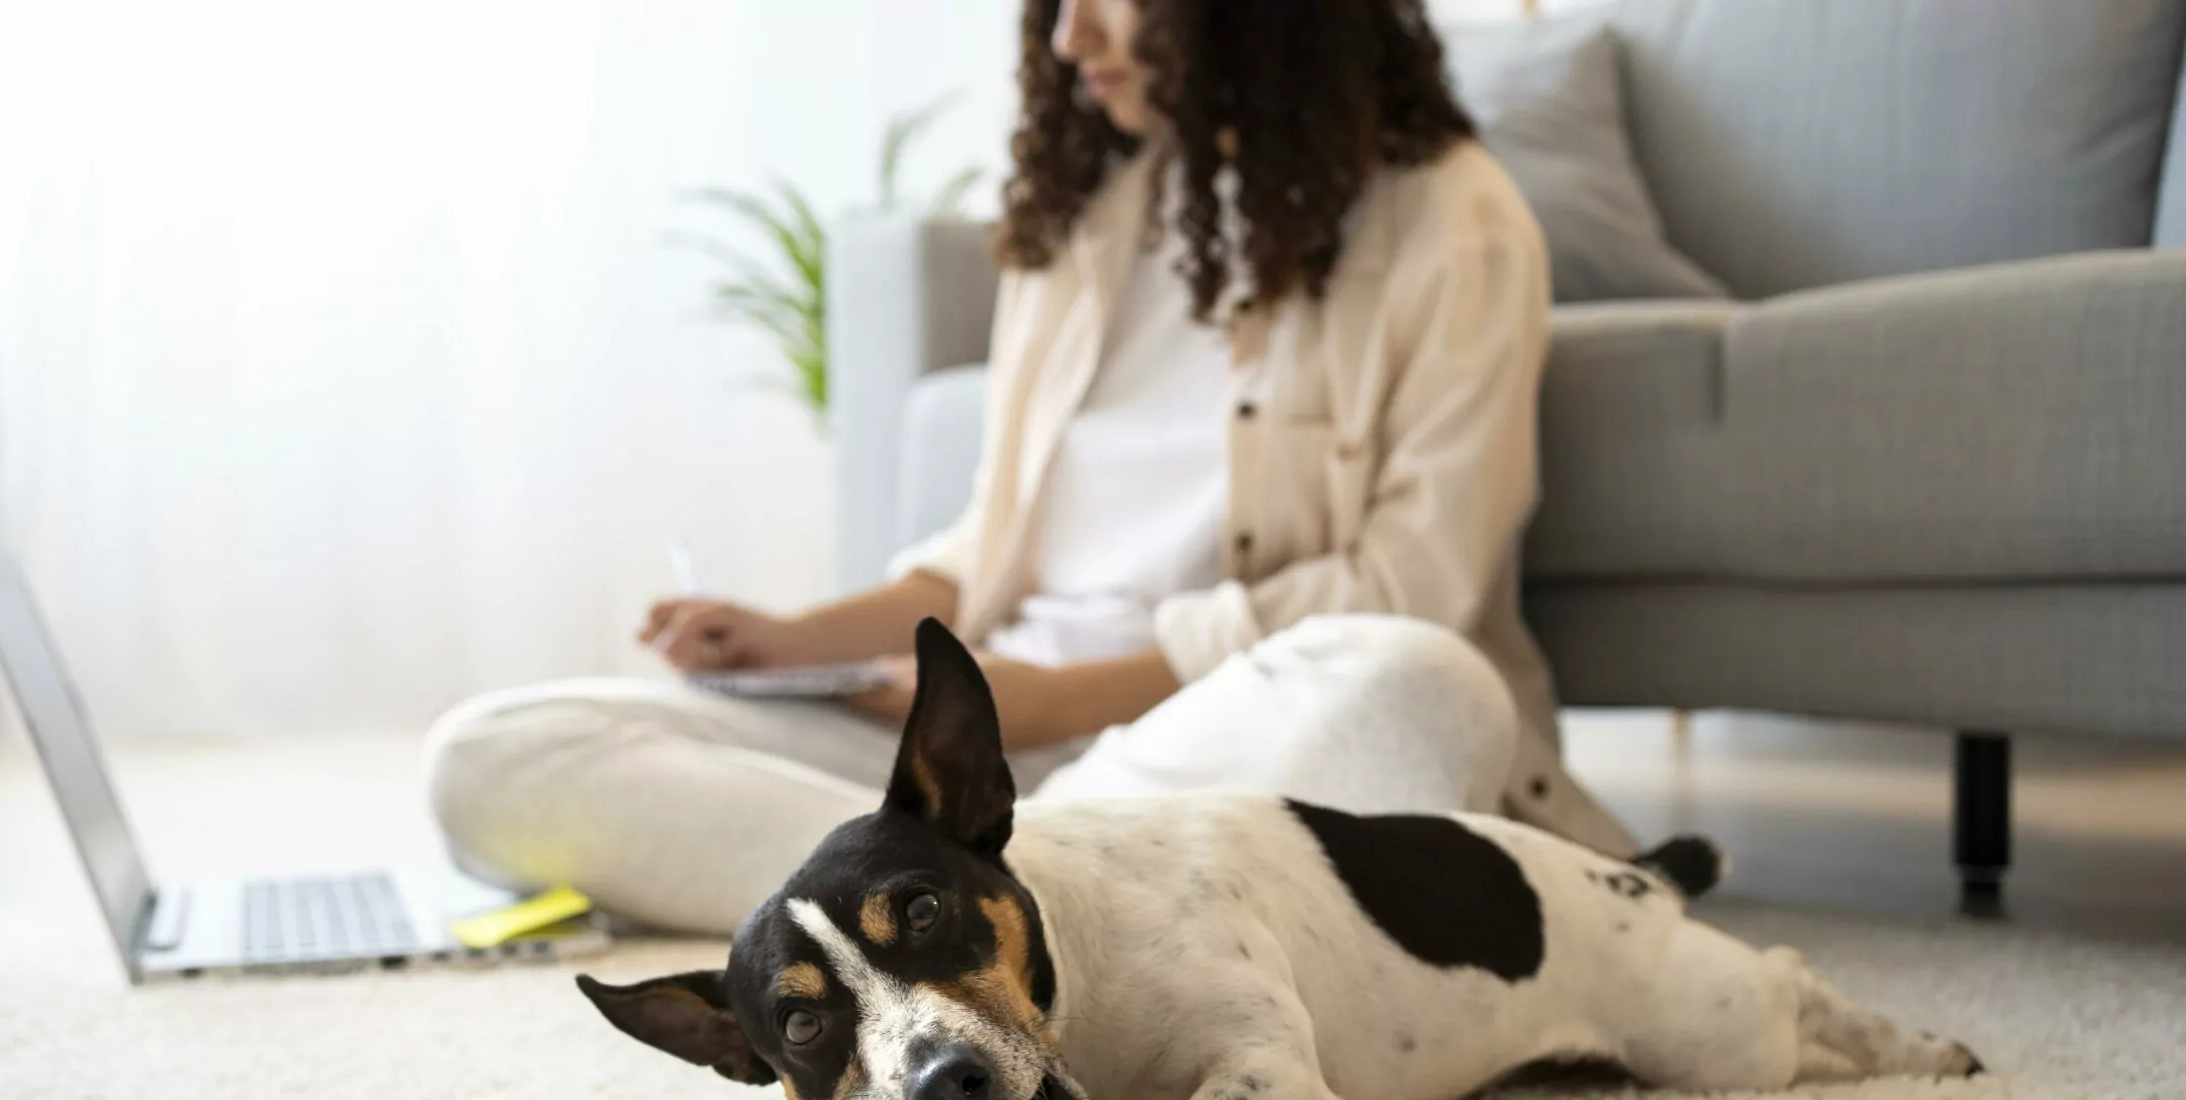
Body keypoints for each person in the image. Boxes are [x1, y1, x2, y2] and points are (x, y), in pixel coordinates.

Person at [425, 0, 1637, 935]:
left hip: (1203, 742)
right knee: (493, 759)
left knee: (1423, 686)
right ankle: (1014, 899)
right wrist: (790, 639)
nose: (1069, 37)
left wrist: (1046, 704)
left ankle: (933, 891)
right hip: (985, 758)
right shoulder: (1082, 231)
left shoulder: (1453, 221)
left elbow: (1410, 590)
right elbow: (985, 556)